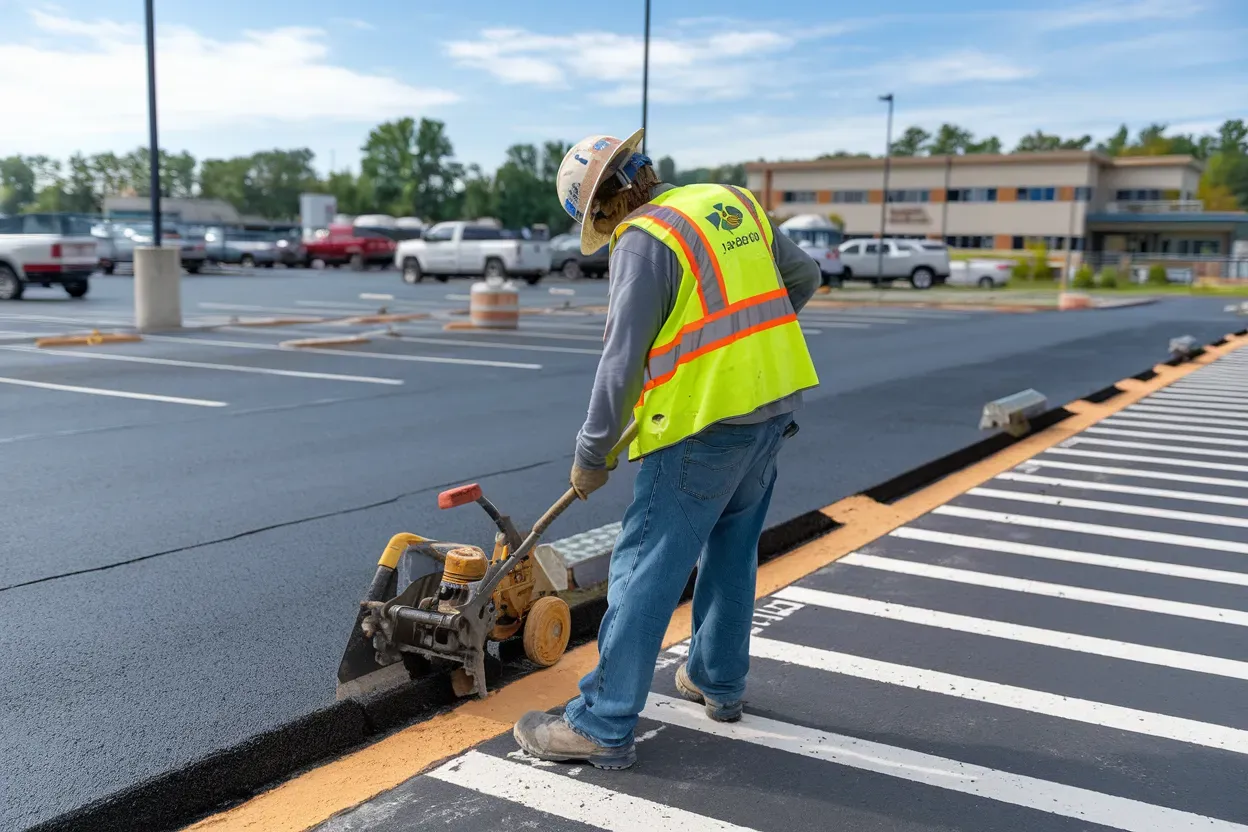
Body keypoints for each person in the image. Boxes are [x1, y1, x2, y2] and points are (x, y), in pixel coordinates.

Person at [513, 129, 821, 770]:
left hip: (701, 428)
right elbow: (804, 277)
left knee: (644, 568)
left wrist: (591, 453)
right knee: (732, 551)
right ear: (646, 171)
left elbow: (621, 361)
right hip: (769, 413)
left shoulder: (646, 239)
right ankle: (717, 681)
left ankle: (602, 722)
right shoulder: (733, 202)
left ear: (601, 207)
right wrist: (745, 345)